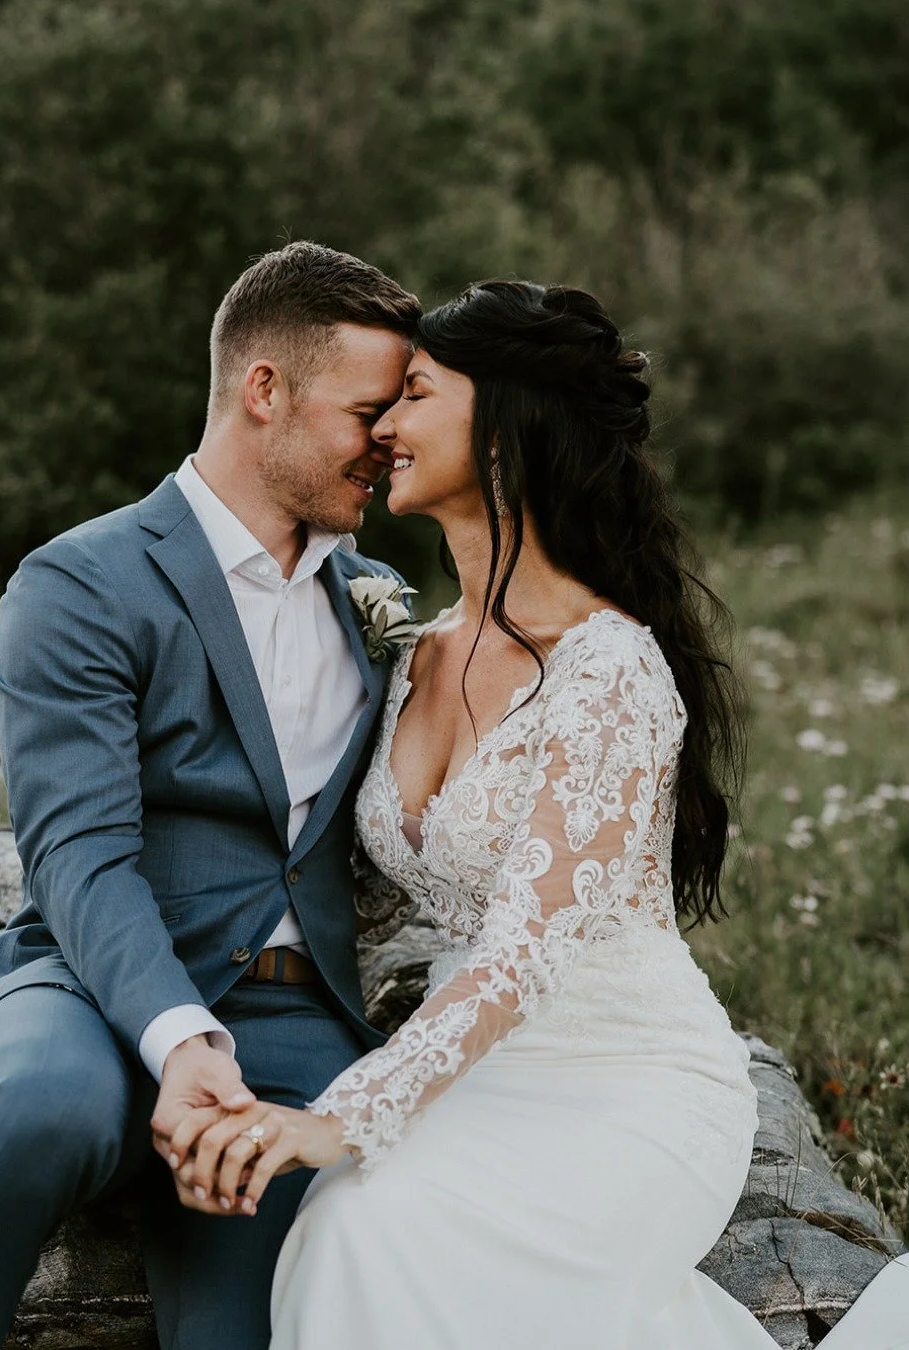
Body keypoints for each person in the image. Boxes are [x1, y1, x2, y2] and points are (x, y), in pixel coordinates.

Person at [0, 241, 421, 1350]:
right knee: (40, 1109)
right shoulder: (82, 582)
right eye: (366, 414)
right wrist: (181, 1039)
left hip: (297, 1022)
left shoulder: (378, 598)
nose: (387, 447)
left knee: (259, 1307)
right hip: (90, 984)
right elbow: (78, 855)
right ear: (264, 392)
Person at [179, 278, 785, 1347]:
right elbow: (324, 881)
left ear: (505, 431)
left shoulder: (609, 673)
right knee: (349, 1234)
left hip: (627, 1086)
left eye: (413, 394)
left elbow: (517, 956)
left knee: (392, 1228)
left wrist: (337, 1118)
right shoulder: (410, 653)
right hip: (473, 1083)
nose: (385, 426)